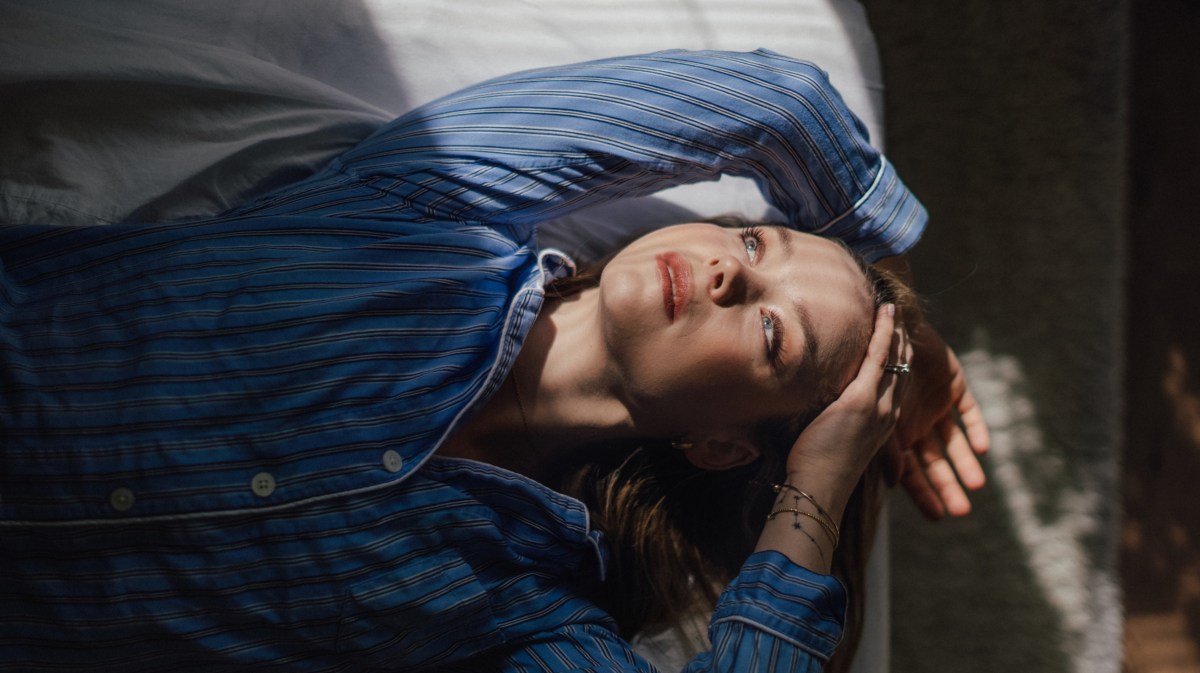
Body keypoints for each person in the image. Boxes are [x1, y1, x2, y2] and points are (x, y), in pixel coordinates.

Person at [0, 49, 988, 671]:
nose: (731, 273)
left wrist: (816, 491)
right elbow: (780, 105)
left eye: (775, 335)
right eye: (756, 244)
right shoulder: (435, 214)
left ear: (723, 444)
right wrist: (895, 305)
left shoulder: (522, 611)